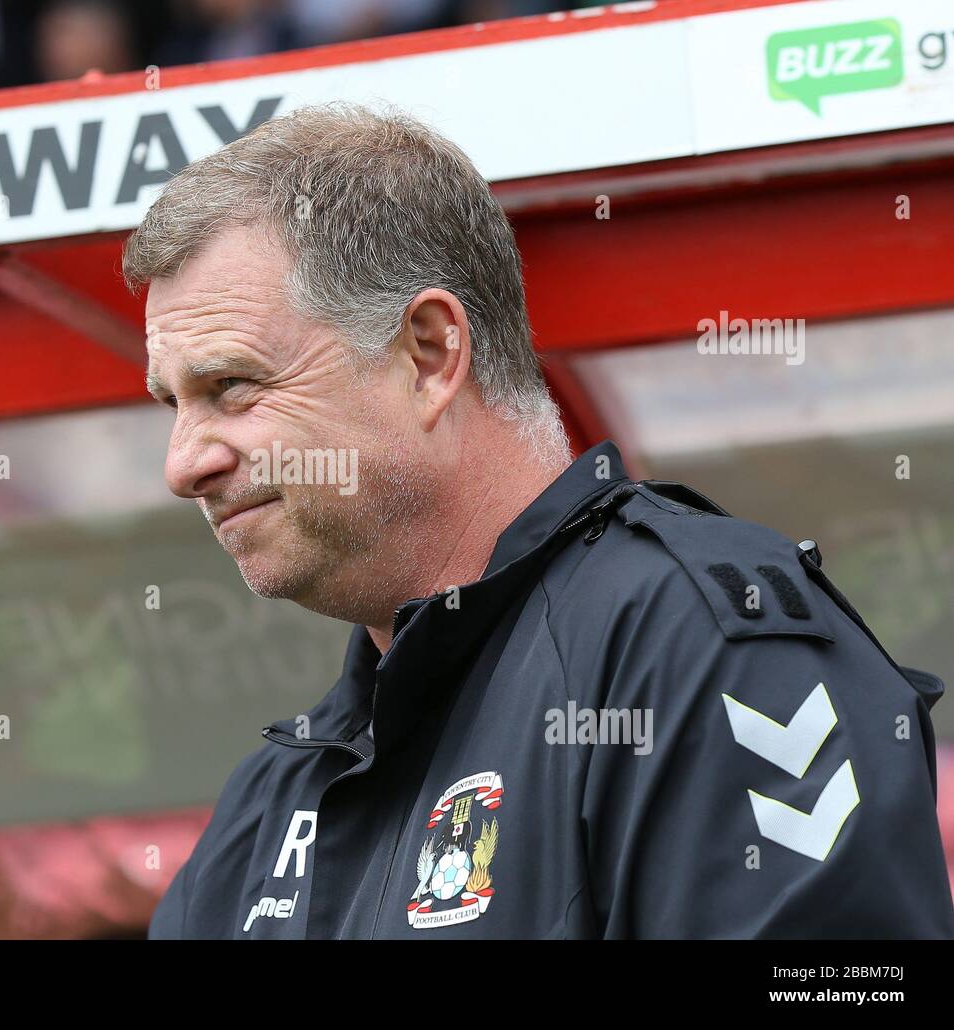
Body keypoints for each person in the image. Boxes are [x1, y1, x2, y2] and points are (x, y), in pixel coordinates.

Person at [124, 103, 954, 938]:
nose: (183, 463)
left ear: (430, 354)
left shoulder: (701, 645)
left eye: (230, 387)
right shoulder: (267, 805)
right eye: (174, 403)